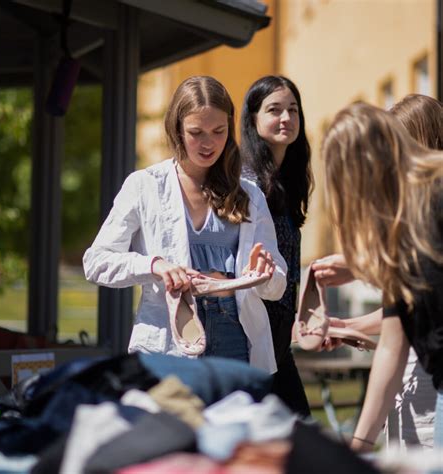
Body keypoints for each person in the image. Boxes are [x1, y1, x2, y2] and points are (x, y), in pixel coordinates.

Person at [83, 76, 288, 373]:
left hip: (235, 333)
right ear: (177, 129)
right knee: (172, 419)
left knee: (232, 421)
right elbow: (96, 262)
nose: (209, 143)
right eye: (196, 132)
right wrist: (154, 265)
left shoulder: (249, 193)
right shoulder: (145, 185)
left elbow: (276, 286)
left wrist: (263, 274)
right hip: (168, 336)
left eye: (219, 131)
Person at [313, 94, 443, 450]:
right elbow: (397, 330)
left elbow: (394, 343)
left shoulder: (427, 196)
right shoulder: (409, 210)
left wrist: (357, 444)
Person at [240, 75, 313, 416]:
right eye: (274, 110)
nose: (286, 118)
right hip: (252, 333)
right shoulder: (244, 180)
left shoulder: (289, 179)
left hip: (281, 337)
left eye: (293, 110)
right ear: (253, 119)